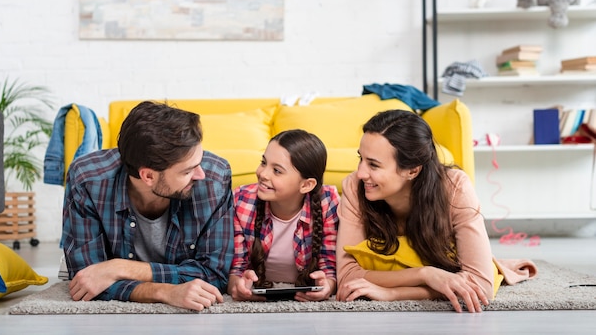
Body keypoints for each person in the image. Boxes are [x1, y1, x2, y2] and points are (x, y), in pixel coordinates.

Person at [336, 109, 527, 313]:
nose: (361, 172)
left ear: (412, 170)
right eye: (361, 159)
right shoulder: (354, 187)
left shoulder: (455, 188)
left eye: (373, 165)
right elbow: (347, 276)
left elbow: (481, 286)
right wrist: (425, 275)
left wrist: (393, 294)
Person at [61, 101, 234, 311]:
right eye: (187, 171)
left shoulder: (215, 180)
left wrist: (119, 268)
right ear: (148, 176)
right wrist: (164, 292)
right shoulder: (87, 180)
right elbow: (87, 281)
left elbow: (214, 275)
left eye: (199, 161)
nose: (201, 174)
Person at [228, 129, 339, 301]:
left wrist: (328, 286)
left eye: (277, 171)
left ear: (306, 185)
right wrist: (238, 285)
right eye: (263, 163)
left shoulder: (328, 201)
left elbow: (329, 267)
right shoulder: (242, 200)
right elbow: (236, 267)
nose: (263, 174)